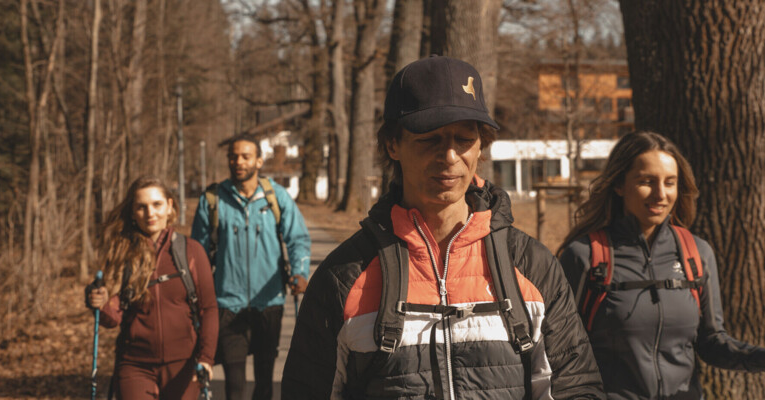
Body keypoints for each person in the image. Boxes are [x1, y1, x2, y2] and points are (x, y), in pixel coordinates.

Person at [282, 55, 604, 399]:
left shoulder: (532, 267)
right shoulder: (343, 277)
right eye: (429, 140)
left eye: (464, 139)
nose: (449, 156)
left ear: (481, 146)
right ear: (393, 144)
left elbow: (576, 388)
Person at [558, 131, 765, 399]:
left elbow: (712, 342)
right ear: (619, 185)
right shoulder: (584, 256)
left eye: (670, 183)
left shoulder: (697, 254)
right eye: (646, 181)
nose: (660, 194)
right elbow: (562, 352)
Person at [191, 135, 311, 400]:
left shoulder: (276, 197)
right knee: (234, 383)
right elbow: (196, 255)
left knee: (265, 378)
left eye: (245, 156)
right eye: (233, 156)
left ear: (258, 160)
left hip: (268, 302)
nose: (238, 162)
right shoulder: (212, 200)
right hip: (227, 302)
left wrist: (300, 273)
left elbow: (298, 239)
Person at [85, 175, 218, 400]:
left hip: (184, 365)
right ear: (132, 212)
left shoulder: (191, 251)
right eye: (141, 207)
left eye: (156, 204)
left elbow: (209, 309)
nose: (150, 213)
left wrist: (206, 359)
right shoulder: (121, 255)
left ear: (169, 206)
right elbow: (111, 320)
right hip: (135, 365)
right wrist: (98, 302)